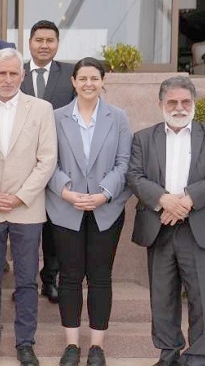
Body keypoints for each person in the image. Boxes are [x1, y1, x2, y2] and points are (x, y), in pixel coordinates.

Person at [127, 76, 205, 366]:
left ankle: (198, 357)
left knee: (202, 298)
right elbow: (134, 176)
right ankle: (169, 354)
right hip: (159, 227)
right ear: (161, 104)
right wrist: (164, 200)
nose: (179, 107)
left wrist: (185, 201)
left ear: (194, 103)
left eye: (185, 101)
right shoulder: (143, 138)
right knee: (162, 298)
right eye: (172, 102)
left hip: (200, 229)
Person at [0, 48, 57, 366]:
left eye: (13, 73)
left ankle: (25, 343)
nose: (7, 79)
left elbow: (48, 159)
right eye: (1, 73)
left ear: (23, 75)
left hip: (27, 208)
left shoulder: (42, 109)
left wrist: (21, 196)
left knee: (26, 279)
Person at [45, 57, 132, 366]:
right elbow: (47, 161)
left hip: (105, 209)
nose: (88, 83)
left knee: (99, 277)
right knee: (69, 276)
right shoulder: (55, 117)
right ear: (73, 82)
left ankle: (96, 346)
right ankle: (71, 345)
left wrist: (103, 195)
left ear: (103, 80)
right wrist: (66, 191)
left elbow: (125, 162)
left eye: (94, 78)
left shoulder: (118, 117)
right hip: (64, 207)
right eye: (82, 78)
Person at [19, 19, 76, 305]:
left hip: (59, 162)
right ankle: (24, 282)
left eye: (49, 40)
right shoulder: (17, 73)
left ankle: (50, 279)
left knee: (54, 226)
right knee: (25, 229)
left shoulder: (70, 75)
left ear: (57, 44)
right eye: (39, 40)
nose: (44, 45)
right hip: (21, 164)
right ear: (30, 43)